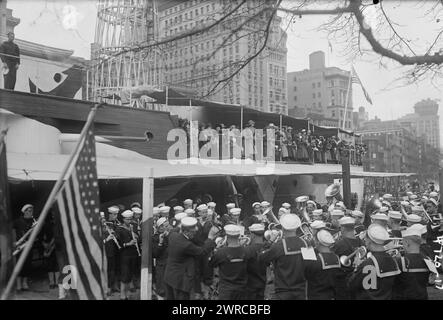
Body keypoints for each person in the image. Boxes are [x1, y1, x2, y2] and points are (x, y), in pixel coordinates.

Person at [164, 217, 218, 300]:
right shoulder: (186, 245)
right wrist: (210, 238)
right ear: (185, 231)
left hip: (169, 276)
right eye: (193, 232)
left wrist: (182, 223)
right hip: (181, 281)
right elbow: (202, 251)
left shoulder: (173, 235)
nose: (195, 233)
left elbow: (175, 229)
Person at [258, 214, 308, 300]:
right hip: (301, 290)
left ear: (283, 228)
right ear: (297, 227)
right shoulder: (306, 243)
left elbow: (261, 258)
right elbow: (309, 266)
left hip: (283, 291)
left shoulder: (278, 246)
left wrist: (270, 241)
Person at [348, 224, 401, 300]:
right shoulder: (393, 261)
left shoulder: (367, 264)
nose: (365, 241)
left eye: (366, 239)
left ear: (369, 241)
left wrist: (357, 266)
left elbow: (352, 285)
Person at [208, 224, 255, 300]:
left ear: (227, 236)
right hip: (242, 289)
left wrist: (216, 249)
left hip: (226, 290)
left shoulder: (221, 252)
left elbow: (211, 264)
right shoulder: (247, 251)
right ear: (239, 235)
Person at [392, 226, 432, 300]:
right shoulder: (427, 260)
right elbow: (430, 280)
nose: (402, 245)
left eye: (403, 242)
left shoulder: (400, 261)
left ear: (407, 242)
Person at [304, 229, 341, 300]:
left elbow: (305, 275)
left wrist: (308, 249)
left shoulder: (316, 260)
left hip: (316, 296)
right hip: (331, 296)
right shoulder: (336, 258)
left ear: (318, 242)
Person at [332, 216, 362, 300]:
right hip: (358, 282)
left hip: (342, 283)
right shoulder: (361, 242)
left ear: (343, 228)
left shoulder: (339, 244)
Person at [115, 210, 140, 300]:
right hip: (124, 255)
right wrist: (128, 243)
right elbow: (117, 243)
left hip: (133, 254)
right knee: (124, 275)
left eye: (130, 219)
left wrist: (137, 236)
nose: (129, 221)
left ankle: (127, 293)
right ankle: (122, 295)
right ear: (123, 219)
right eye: (127, 219)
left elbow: (138, 239)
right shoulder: (119, 229)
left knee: (130, 275)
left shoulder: (132, 227)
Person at [14, 204, 37, 291]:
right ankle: (19, 284)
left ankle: (24, 283)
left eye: (32, 211)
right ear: (25, 211)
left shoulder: (33, 222)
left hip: (29, 245)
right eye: (29, 211)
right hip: (19, 246)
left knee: (27, 264)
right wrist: (14, 242)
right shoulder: (17, 221)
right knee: (19, 264)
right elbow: (12, 232)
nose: (31, 212)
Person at [245, 224, 267, 300]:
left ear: (252, 235)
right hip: (263, 283)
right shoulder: (267, 247)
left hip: (250, 285)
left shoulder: (248, 249)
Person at [152, 217, 171, 299]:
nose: (168, 228)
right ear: (160, 227)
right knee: (161, 286)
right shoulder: (155, 238)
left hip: (170, 264)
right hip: (161, 265)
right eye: (166, 226)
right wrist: (160, 243)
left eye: (168, 226)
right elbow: (155, 254)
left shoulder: (170, 236)